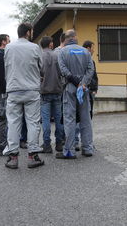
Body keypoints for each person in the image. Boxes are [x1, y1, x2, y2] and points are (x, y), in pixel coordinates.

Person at [3, 22, 45, 169]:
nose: (32, 33)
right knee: (33, 122)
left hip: (13, 90)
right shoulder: (34, 47)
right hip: (31, 90)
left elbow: (6, 67)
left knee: (13, 123)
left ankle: (13, 158)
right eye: (31, 31)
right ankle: (32, 156)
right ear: (28, 32)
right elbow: (42, 67)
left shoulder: (8, 48)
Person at [57, 29, 95, 159]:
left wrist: (75, 81)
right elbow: (90, 69)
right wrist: (83, 83)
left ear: (66, 39)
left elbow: (63, 69)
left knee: (69, 119)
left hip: (70, 87)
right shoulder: (85, 52)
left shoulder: (62, 52)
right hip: (83, 89)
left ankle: (69, 151)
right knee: (85, 119)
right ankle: (87, 148)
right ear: (74, 37)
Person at [40, 36, 65, 154]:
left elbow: (38, 73)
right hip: (57, 90)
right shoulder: (57, 55)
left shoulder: (40, 56)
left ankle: (47, 144)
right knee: (58, 119)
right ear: (50, 44)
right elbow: (62, 72)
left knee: (45, 120)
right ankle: (59, 143)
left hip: (45, 91)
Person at [83, 40, 99, 118]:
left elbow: (95, 76)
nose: (93, 50)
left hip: (91, 90)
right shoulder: (83, 61)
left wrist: (95, 88)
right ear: (88, 48)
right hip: (86, 89)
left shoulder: (92, 61)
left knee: (90, 111)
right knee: (87, 112)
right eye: (92, 48)